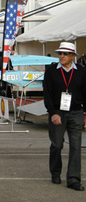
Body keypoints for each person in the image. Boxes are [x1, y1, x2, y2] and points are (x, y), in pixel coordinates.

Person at [43, 42, 86, 191]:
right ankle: (55, 172)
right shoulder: (51, 71)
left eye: (65, 54)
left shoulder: (81, 71)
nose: (61, 56)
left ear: (73, 56)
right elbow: (47, 93)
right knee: (57, 144)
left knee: (76, 146)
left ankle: (73, 179)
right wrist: (53, 112)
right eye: (60, 53)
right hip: (58, 112)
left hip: (76, 112)